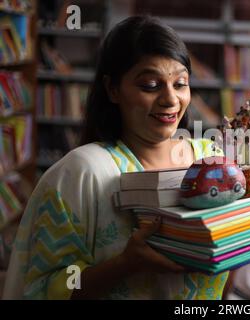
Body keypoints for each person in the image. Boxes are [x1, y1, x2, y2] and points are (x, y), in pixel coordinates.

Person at [3, 16, 227, 300]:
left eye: (180, 83)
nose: (171, 99)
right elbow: (45, 287)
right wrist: (124, 265)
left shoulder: (211, 158)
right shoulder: (82, 172)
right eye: (150, 85)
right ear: (112, 89)